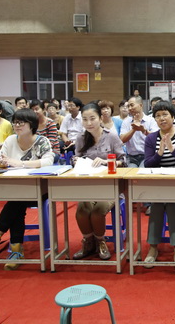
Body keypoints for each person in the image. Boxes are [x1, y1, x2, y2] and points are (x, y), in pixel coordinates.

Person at [0, 109, 54, 270]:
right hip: (15, 188)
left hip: (40, 189)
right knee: (17, 202)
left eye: (21, 123)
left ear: (31, 124)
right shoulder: (11, 140)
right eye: (15, 122)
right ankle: (16, 250)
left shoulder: (42, 141)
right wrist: (3, 163)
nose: (17, 125)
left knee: (16, 202)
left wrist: (21, 163)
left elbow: (48, 161)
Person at [143, 101, 175, 271]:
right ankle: (153, 248)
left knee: (172, 204)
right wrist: (159, 153)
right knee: (157, 205)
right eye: (158, 116)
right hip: (159, 184)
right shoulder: (151, 138)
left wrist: (173, 149)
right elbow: (148, 164)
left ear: (173, 117)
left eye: (165, 114)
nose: (162, 118)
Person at [71, 104, 125, 261]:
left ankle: (101, 241)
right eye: (85, 119)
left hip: (110, 187)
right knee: (82, 210)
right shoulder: (81, 138)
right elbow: (76, 158)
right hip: (88, 186)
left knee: (97, 211)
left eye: (92, 118)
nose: (89, 123)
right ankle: (88, 242)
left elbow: (123, 161)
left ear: (101, 118)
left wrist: (107, 161)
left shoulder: (111, 136)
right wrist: (77, 161)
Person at [120, 96, 158, 168]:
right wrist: (134, 129)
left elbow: (156, 137)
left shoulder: (151, 120)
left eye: (132, 105)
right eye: (128, 106)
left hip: (147, 156)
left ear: (140, 105)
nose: (130, 108)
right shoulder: (126, 121)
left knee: (142, 172)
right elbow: (122, 139)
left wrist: (143, 130)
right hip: (131, 158)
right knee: (131, 173)